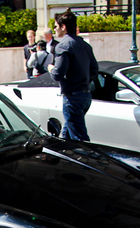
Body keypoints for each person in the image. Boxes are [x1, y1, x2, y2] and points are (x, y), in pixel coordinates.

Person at [47, 8, 98, 142]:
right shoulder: (85, 45)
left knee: (80, 139)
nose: (54, 29)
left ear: (63, 27)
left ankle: (89, 160)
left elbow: (58, 74)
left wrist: (50, 68)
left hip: (73, 98)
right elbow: (94, 70)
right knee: (67, 135)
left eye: (56, 26)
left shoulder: (63, 45)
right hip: (85, 96)